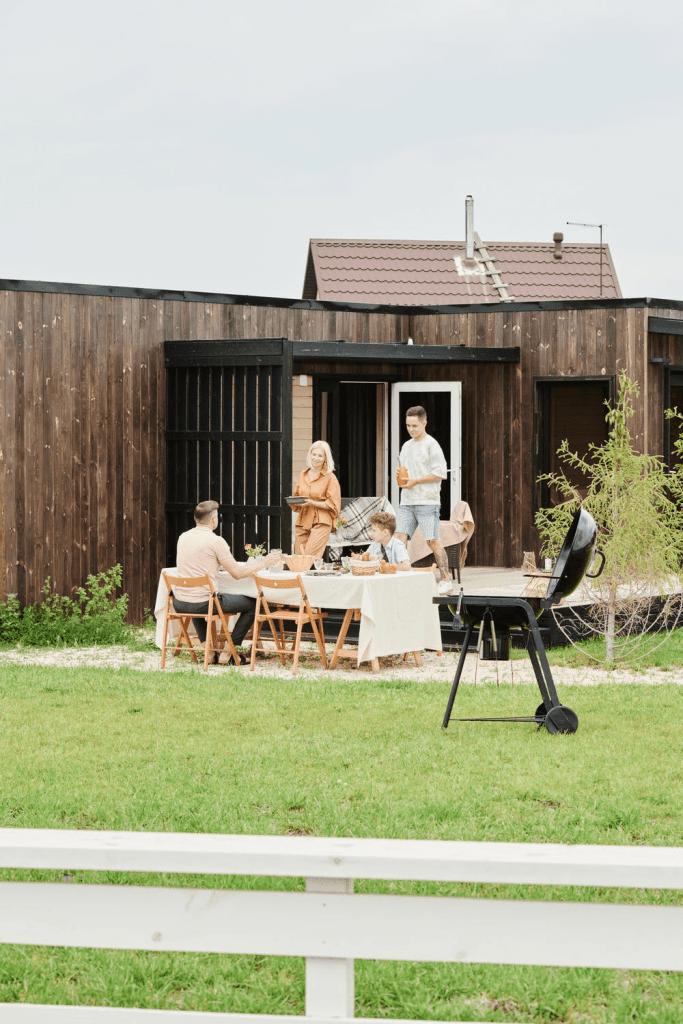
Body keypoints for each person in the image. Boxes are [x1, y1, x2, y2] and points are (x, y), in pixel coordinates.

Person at [172, 499, 280, 665]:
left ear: (196, 519)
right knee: (254, 603)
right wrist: (265, 562)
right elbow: (237, 573)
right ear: (214, 519)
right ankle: (228, 652)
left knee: (197, 596)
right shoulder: (216, 541)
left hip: (180, 602)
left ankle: (208, 652)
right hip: (203, 603)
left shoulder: (182, 537)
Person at [394, 405, 452, 595]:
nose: (411, 429)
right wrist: (400, 477)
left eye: (415, 426)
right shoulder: (406, 446)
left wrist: (416, 481)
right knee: (399, 539)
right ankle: (401, 575)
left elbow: (439, 473)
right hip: (407, 501)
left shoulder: (432, 445)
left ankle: (445, 580)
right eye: (408, 425)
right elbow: (406, 471)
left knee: (432, 541)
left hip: (428, 501)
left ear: (424, 423)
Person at [290, 440, 341, 557]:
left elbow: (333, 504)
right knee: (298, 557)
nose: (316, 458)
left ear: (325, 458)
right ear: (309, 455)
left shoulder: (330, 477)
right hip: (303, 519)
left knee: (308, 557)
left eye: (320, 455)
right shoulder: (303, 474)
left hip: (321, 520)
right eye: (314, 454)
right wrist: (295, 501)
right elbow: (296, 497)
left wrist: (312, 502)